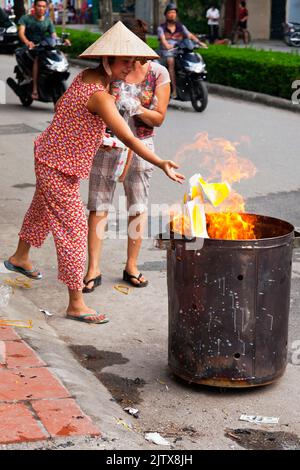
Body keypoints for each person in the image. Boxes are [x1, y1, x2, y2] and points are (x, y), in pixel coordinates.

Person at [4, 22, 184, 325]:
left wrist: (88, 134)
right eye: (125, 61)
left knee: (41, 210)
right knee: (72, 230)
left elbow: (64, 108)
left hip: (52, 157)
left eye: (133, 61)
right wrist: (161, 161)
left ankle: (19, 258)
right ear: (107, 60)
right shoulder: (100, 94)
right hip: (57, 166)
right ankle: (76, 303)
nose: (131, 67)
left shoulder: (87, 78)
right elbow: (128, 136)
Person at [84, 19, 171, 292]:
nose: (129, 60)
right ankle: (93, 268)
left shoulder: (157, 73)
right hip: (107, 146)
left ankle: (131, 265)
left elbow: (158, 118)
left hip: (142, 148)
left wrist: (135, 107)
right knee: (98, 206)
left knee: (138, 206)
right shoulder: (108, 71)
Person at [18, 0, 70, 100]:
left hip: (44, 46)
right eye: (39, 6)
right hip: (30, 47)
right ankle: (35, 90)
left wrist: (62, 41)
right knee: (38, 59)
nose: (41, 8)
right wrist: (27, 42)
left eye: (43, 6)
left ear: (46, 8)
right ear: (34, 6)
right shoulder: (26, 19)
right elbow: (21, 33)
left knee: (60, 53)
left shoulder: (47, 21)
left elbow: (53, 36)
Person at [157, 3, 202, 99]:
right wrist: (168, 45)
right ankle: (173, 90)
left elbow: (189, 35)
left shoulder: (180, 26)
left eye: (174, 12)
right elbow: (163, 41)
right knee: (171, 61)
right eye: (170, 12)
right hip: (167, 52)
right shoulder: (161, 28)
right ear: (166, 14)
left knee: (193, 56)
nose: (172, 14)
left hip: (179, 51)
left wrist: (199, 43)